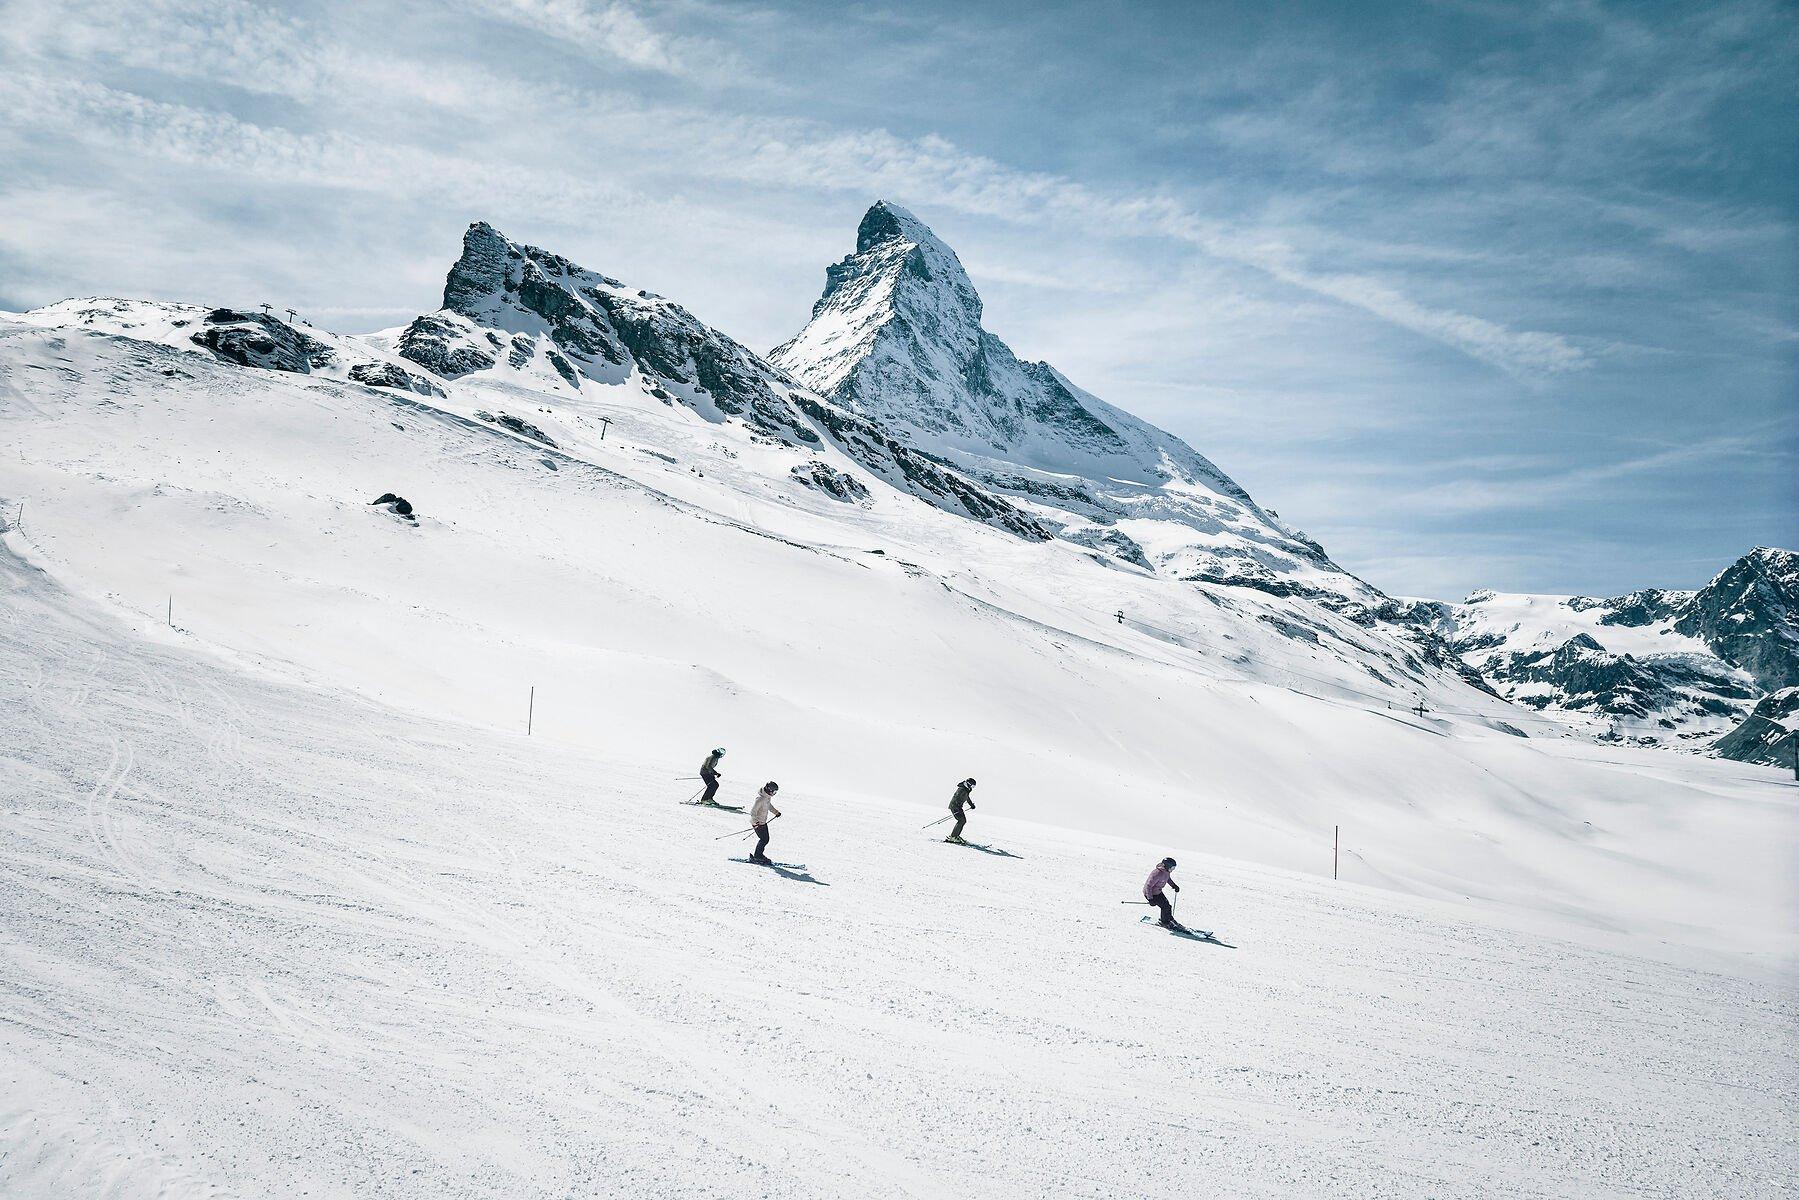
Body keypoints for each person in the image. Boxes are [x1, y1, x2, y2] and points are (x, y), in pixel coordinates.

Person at [1143, 857, 1181, 928]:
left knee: (1168, 906)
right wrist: (1150, 899)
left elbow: (1168, 879)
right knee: (1165, 907)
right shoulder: (1157, 873)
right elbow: (1148, 886)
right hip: (1150, 893)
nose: (1172, 870)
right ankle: (1164, 922)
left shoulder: (1166, 872)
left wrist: (1174, 885)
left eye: (1174, 868)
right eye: (1172, 868)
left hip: (1157, 892)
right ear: (1167, 866)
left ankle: (1169, 919)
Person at [750, 781, 782, 864]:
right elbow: (753, 812)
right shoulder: (760, 799)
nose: (774, 794)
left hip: (763, 822)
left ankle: (759, 855)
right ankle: (757, 856)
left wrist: (776, 812)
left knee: (765, 839)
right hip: (757, 823)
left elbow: (769, 806)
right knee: (764, 839)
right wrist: (756, 823)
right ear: (769, 790)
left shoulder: (766, 798)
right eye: (773, 792)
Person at [946, 777, 977, 843]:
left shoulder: (966, 789)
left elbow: (967, 798)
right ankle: (953, 837)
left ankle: (955, 836)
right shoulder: (962, 789)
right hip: (955, 807)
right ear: (969, 784)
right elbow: (956, 798)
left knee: (963, 821)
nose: (972, 788)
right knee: (961, 820)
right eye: (972, 786)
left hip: (958, 807)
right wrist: (957, 807)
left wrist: (971, 805)